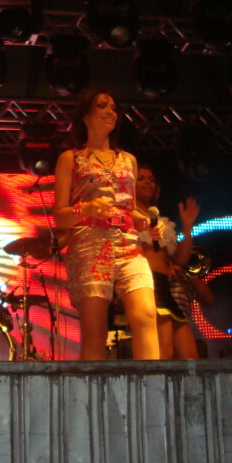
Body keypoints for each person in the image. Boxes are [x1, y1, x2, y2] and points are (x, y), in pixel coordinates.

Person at [53, 89, 158, 361]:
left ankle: (153, 384)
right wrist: (85, 209)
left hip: (128, 244)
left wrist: (143, 222)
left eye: (113, 107)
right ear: (86, 117)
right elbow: (60, 216)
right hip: (90, 246)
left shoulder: (128, 160)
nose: (110, 111)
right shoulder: (71, 158)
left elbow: (129, 207)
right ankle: (89, 388)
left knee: (146, 316)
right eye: (102, 106)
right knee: (95, 333)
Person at [134, 165, 214, 360]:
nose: (148, 182)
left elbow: (180, 259)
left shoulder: (160, 220)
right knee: (163, 351)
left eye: (151, 179)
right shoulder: (128, 215)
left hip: (165, 286)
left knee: (190, 357)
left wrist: (187, 227)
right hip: (146, 283)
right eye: (141, 178)